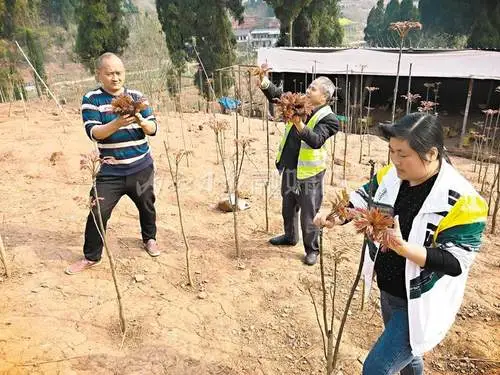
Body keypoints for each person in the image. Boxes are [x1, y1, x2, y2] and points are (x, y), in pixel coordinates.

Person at [314, 113, 488, 374]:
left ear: (430, 153)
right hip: (390, 289)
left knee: (376, 368)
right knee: (410, 354)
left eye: (403, 154)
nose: (395, 160)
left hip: (422, 299)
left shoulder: (463, 200)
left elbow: (455, 262)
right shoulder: (390, 176)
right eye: (392, 151)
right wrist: (335, 216)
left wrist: (403, 248)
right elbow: (362, 198)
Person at [65, 52, 160, 275]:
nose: (115, 78)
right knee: (97, 210)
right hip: (109, 172)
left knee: (147, 205)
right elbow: (94, 133)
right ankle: (91, 256)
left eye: (118, 73)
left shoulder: (137, 96)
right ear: (99, 75)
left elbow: (153, 128)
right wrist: (117, 123)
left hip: (141, 167)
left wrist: (141, 121)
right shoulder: (92, 99)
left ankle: (150, 239)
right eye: (109, 73)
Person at [259, 73, 339, 265]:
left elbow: (316, 141)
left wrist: (298, 124)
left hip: (309, 174)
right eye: (309, 86)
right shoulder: (300, 102)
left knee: (308, 213)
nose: (308, 90)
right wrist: (264, 82)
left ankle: (312, 249)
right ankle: (290, 236)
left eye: (313, 88)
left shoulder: (330, 119)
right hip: (289, 168)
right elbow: (279, 96)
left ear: (324, 97)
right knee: (288, 207)